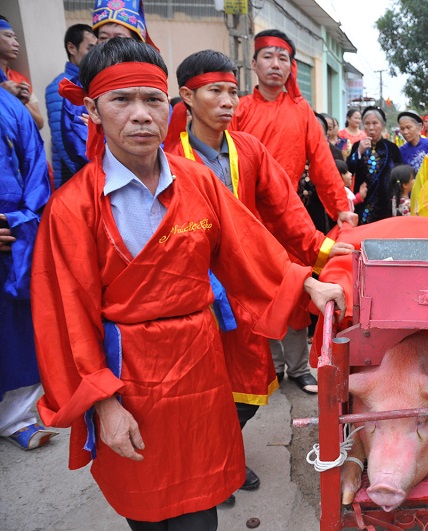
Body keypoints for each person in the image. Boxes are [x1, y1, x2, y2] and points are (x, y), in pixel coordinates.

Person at [34, 37, 344, 530]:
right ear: (92, 109)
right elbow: (65, 318)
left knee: (202, 512)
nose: (140, 115)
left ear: (169, 105)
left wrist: (308, 283)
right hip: (128, 376)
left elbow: (248, 248)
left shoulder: (197, 182)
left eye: (152, 100)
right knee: (149, 510)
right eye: (121, 100)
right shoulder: (72, 209)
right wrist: (104, 405)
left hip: (200, 365)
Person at [165, 49, 355, 504]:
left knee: (247, 382)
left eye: (232, 91)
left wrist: (323, 248)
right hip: (191, 289)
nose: (228, 101)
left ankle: (222, 453)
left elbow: (285, 208)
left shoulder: (248, 148)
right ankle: (211, 468)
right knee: (197, 387)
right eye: (216, 91)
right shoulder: (168, 156)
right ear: (188, 97)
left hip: (245, 277)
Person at [230, 29, 355, 394]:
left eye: (282, 58)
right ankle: (272, 364)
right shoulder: (239, 110)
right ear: (253, 64)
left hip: (291, 219)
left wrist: (341, 210)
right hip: (248, 219)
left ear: (291, 66)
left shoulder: (301, 112)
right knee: (259, 291)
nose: (275, 64)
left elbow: (323, 167)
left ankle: (299, 367)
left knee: (301, 290)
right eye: (267, 56)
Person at [0, 80, 55, 451]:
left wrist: (26, 221)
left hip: (10, 233)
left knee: (15, 331)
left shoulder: (10, 104)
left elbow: (35, 168)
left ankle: (17, 416)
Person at [46, 24, 96, 187]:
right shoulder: (60, 86)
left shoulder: (91, 83)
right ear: (71, 48)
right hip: (74, 177)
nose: (95, 54)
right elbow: (64, 141)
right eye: (90, 48)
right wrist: (89, 177)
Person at [347, 106, 403, 224]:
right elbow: (349, 170)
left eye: (375, 123)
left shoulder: (392, 148)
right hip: (363, 200)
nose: (371, 127)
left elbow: (400, 175)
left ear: (382, 125)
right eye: (367, 123)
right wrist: (359, 152)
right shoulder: (358, 146)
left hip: (385, 201)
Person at [0, 16, 44, 130]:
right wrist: (3, 96)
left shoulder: (20, 79)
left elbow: (39, 124)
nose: (16, 44)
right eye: (9, 36)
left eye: (16, 38)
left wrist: (21, 103)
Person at [92, 0, 156, 47]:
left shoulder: (144, 65)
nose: (109, 44)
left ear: (137, 43)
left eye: (118, 38)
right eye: (103, 38)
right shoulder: (89, 65)